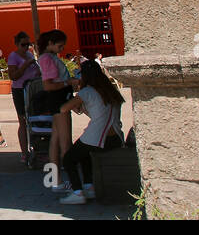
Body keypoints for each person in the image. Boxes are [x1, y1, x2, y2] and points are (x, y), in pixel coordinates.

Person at [58, 60, 126, 204]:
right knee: (84, 153)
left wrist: (73, 91)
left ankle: (77, 192)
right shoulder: (110, 91)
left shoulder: (87, 92)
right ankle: (89, 187)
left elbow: (64, 108)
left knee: (69, 158)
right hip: (115, 137)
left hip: (97, 136)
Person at [35, 30, 76, 189]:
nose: (62, 48)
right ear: (50, 43)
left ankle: (55, 180)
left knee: (56, 140)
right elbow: (48, 85)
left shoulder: (47, 58)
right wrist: (69, 83)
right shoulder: (48, 59)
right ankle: (74, 182)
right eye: (60, 45)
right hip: (59, 99)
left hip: (57, 99)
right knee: (65, 142)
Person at [7, 32, 40, 158]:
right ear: (17, 44)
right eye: (23, 45)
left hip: (33, 89)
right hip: (20, 90)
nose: (26, 47)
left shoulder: (29, 54)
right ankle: (24, 152)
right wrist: (25, 65)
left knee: (34, 120)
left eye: (28, 44)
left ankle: (36, 148)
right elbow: (13, 76)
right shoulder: (13, 56)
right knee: (22, 120)